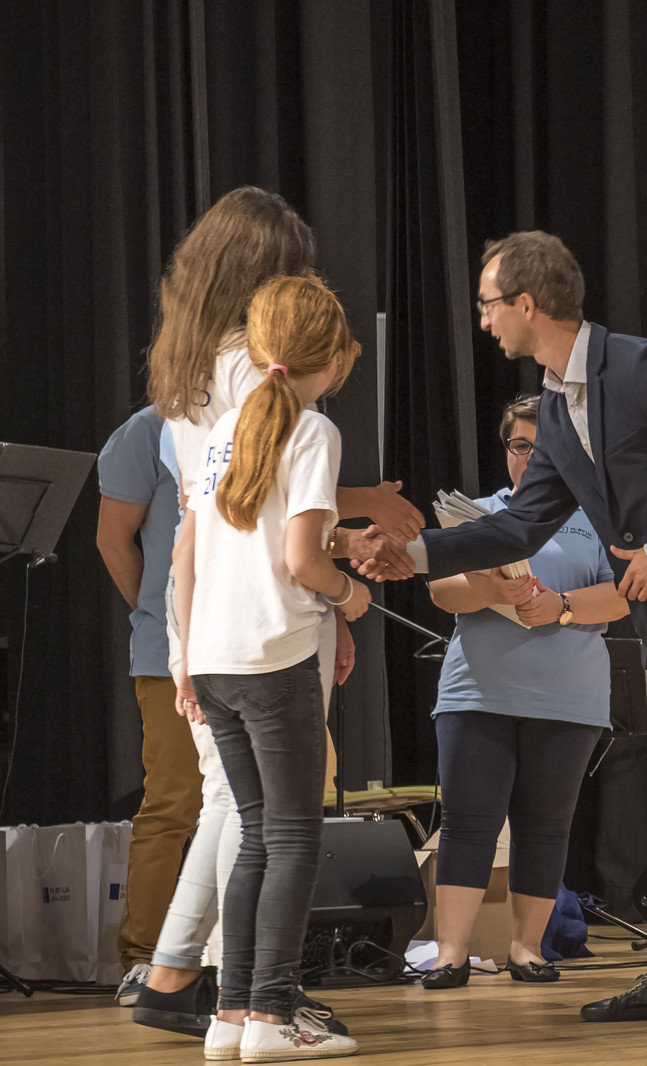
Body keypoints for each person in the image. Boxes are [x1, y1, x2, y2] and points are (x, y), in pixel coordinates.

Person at [358, 230, 647, 1026]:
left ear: (527, 302)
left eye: (488, 304)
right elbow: (521, 524)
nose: (483, 321)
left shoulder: (641, 367)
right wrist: (413, 553)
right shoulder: (554, 402)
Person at [133, 186, 419, 1037]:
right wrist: (348, 584)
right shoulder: (260, 385)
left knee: (239, 809)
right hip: (267, 624)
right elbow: (285, 529)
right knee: (272, 823)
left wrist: (187, 650)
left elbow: (208, 527)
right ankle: (255, 996)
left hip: (211, 618)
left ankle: (209, 991)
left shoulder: (190, 371)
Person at [174, 273, 368, 1061]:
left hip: (215, 656)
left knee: (257, 832)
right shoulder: (313, 431)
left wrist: (186, 657)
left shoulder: (226, 427)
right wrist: (350, 594)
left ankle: (233, 1015)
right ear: (336, 356)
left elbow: (188, 558)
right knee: (292, 837)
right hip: (272, 654)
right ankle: (273, 1016)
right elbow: (301, 560)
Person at [420, 394, 628, 989]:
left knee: (545, 825)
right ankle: (451, 952)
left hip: (568, 698)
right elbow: (440, 589)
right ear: (506, 449)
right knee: (468, 822)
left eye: (546, 448)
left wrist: (559, 606)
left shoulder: (599, 517)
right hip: (477, 694)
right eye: (520, 446)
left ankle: (527, 949)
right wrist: (494, 592)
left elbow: (623, 595)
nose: (531, 459)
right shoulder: (479, 514)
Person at [95, 407, 201, 1004]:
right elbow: (113, 538)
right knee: (174, 803)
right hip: (172, 655)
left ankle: (238, 958)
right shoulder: (148, 428)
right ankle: (144, 958)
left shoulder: (258, 416)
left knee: (264, 808)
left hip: (254, 648)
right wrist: (161, 620)